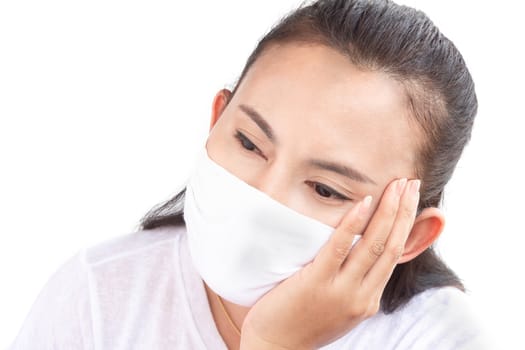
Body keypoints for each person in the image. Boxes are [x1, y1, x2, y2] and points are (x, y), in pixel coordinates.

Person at [10, 0, 489, 349]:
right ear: (218, 119)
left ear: (410, 234)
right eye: (248, 143)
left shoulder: (438, 338)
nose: (262, 193)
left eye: (325, 188)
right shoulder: (100, 293)